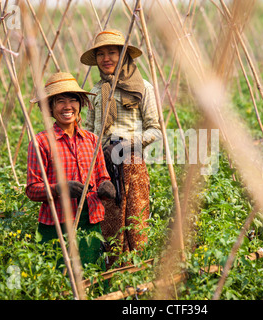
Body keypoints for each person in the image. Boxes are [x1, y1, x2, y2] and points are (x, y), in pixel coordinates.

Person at [80, 29, 162, 267]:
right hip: (104, 166)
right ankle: (114, 276)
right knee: (110, 228)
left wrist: (129, 145)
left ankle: (136, 277)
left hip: (132, 164)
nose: (106, 58)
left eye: (112, 53)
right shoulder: (96, 91)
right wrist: (96, 152)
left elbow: (155, 130)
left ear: (124, 55)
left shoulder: (142, 87)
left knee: (135, 226)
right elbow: (90, 132)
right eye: (101, 54)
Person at [25, 72, 116, 268]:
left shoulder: (91, 140)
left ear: (80, 104)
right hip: (56, 225)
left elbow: (102, 176)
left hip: (91, 222)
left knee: (92, 279)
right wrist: (60, 188)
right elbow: (32, 189)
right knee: (58, 281)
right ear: (50, 107)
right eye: (60, 101)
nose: (68, 106)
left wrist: (106, 186)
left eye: (73, 100)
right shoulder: (41, 142)